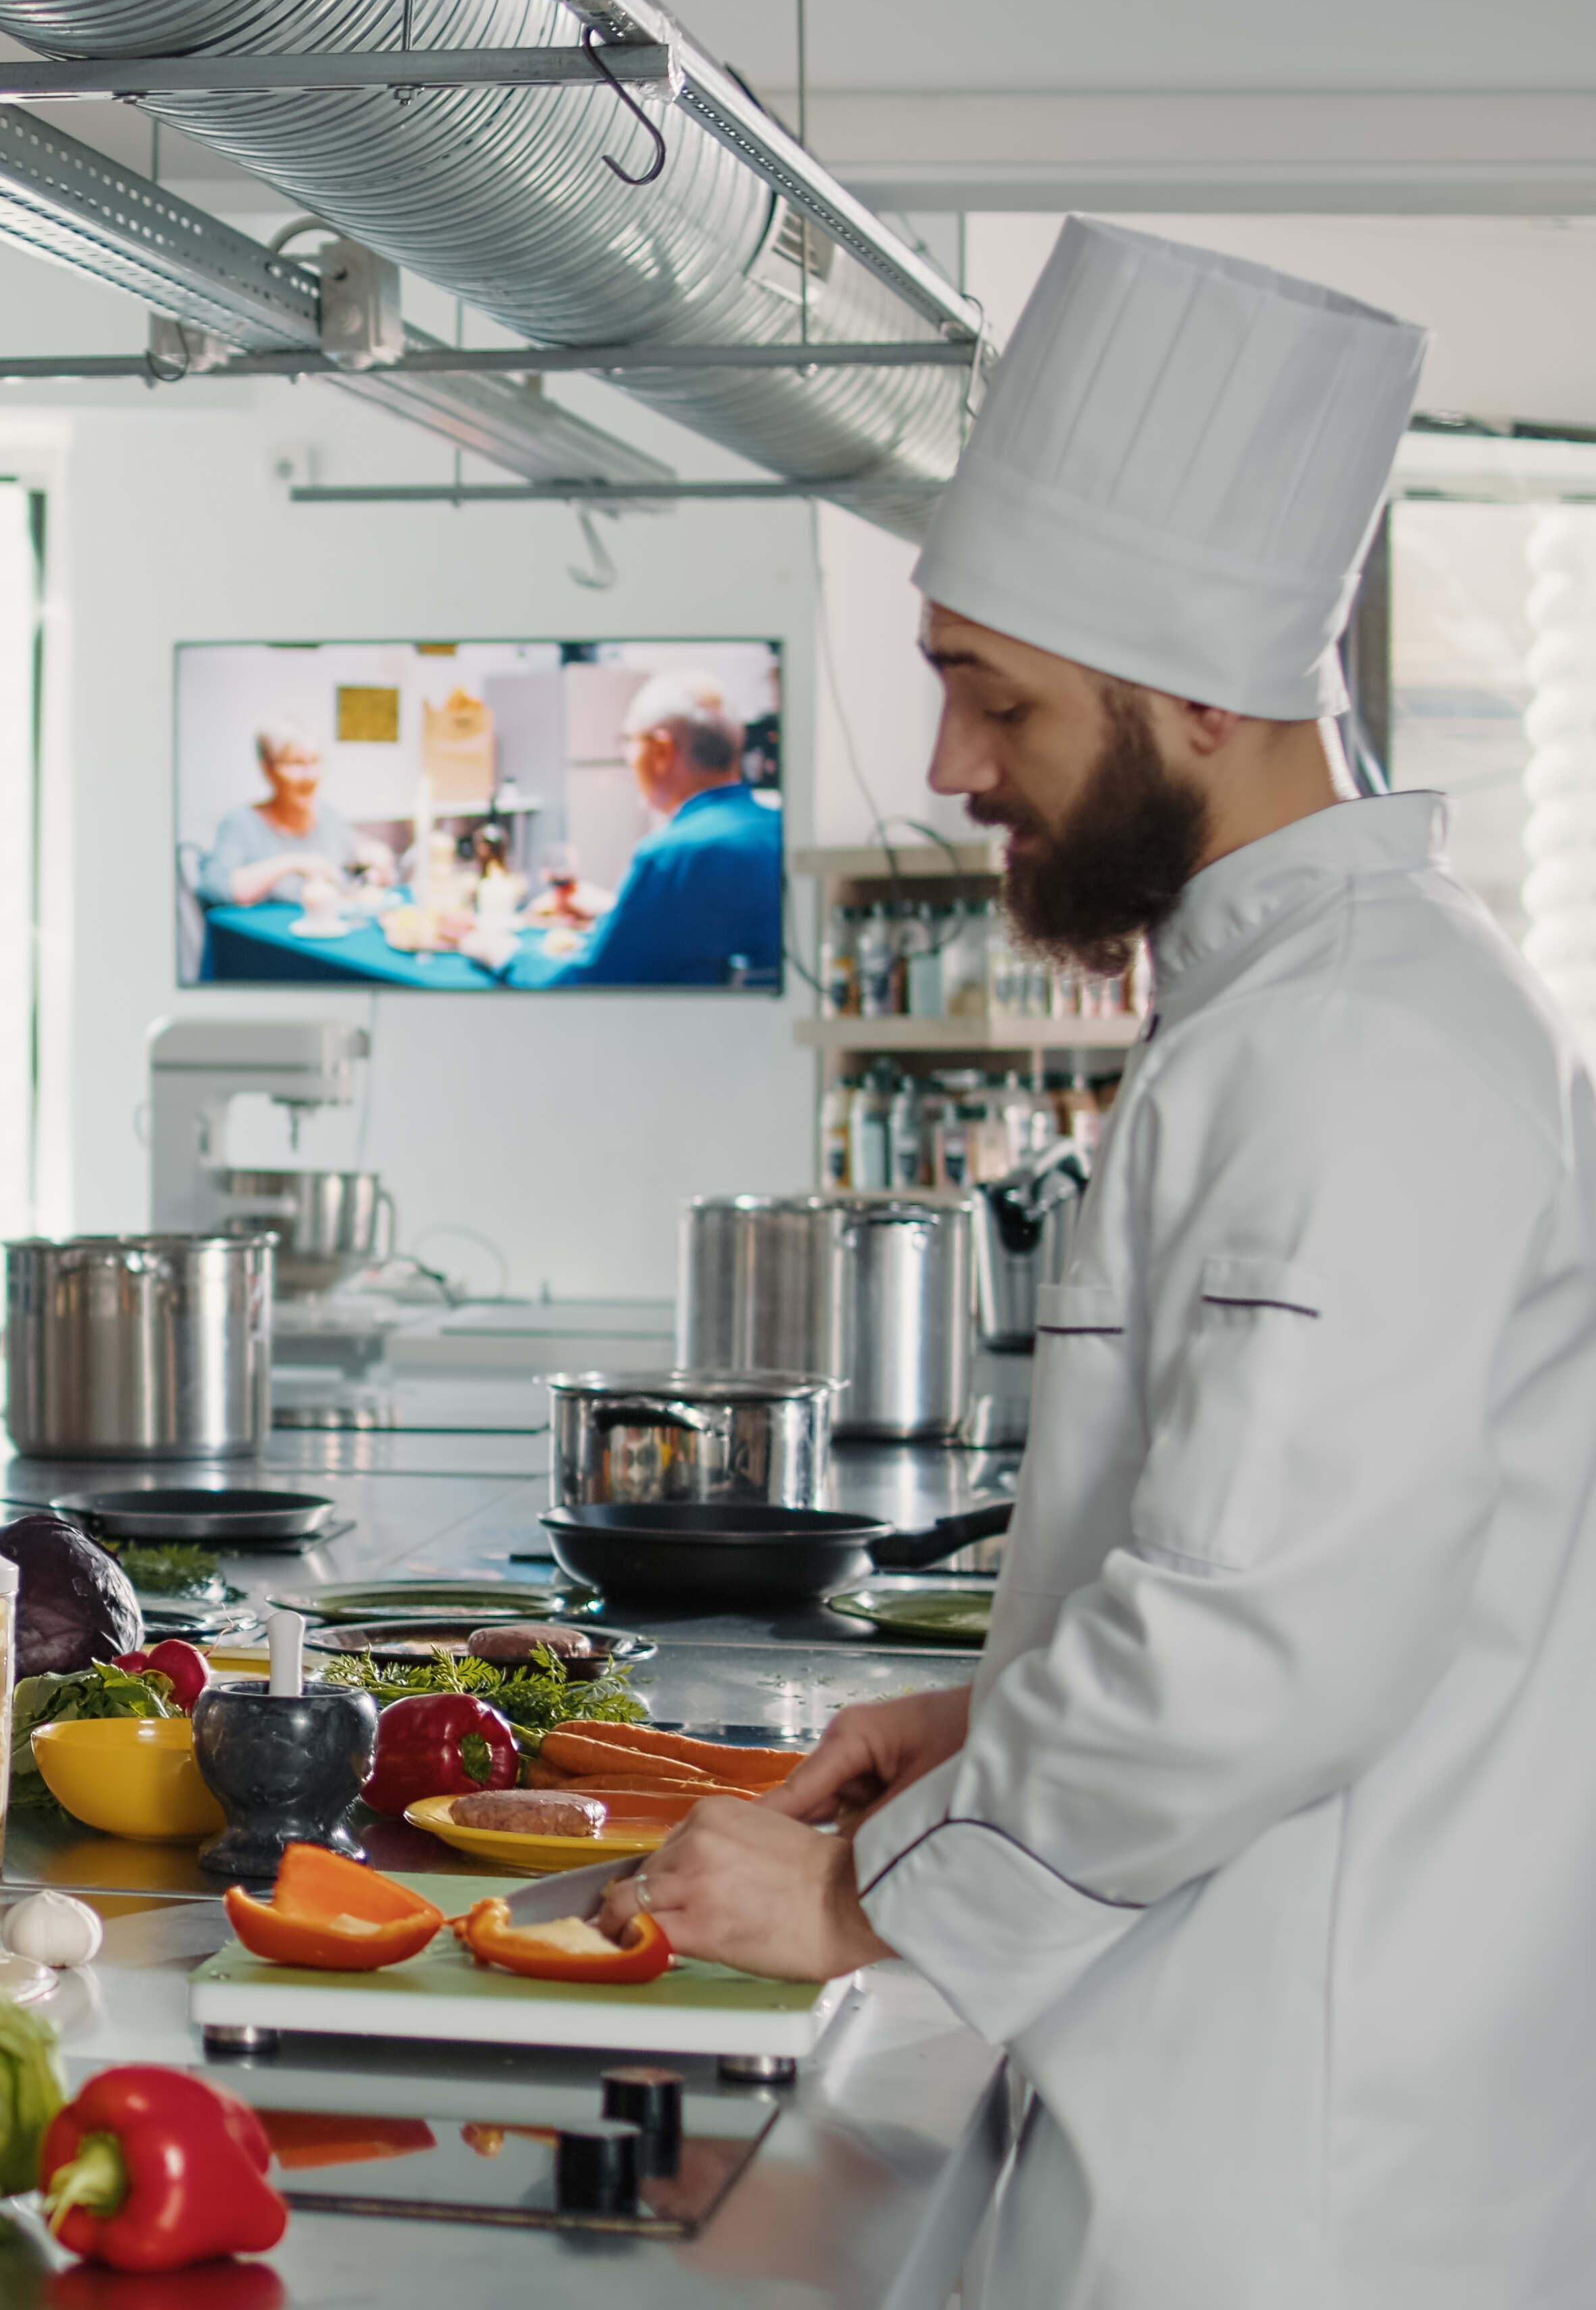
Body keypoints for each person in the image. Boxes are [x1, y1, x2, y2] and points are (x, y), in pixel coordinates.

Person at [635, 224, 1596, 2302]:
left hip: (1299, 2160)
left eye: (994, 699)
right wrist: (983, 1717)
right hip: (1217, 2081)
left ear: (1196, 693)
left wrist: (855, 1903)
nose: (959, 768)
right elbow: (1318, 1550)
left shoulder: (1355, 1050)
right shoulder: (1302, 1008)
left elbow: (1261, 1640)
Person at [539, 670, 782, 987]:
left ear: (661, 751)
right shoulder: (778, 828)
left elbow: (588, 982)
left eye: (629, 741)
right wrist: (617, 911)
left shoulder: (670, 854)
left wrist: (500, 951)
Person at [191, 718, 364, 906]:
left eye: (314, 762)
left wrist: (374, 864)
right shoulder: (241, 822)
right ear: (268, 769)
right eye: (296, 764)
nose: (309, 776)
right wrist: (293, 863)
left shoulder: (329, 817)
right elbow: (215, 890)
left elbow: (350, 879)